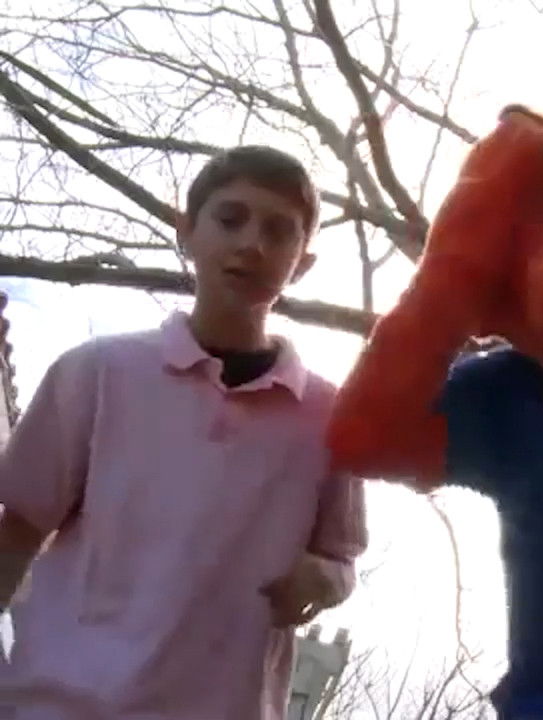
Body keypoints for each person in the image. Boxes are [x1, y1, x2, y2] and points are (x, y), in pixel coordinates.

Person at [0, 145, 368, 719]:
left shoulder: (332, 417)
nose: (251, 244)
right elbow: (19, 530)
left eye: (278, 231)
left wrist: (323, 580)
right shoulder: (96, 373)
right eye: (230, 218)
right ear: (187, 230)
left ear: (302, 262)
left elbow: (340, 559)